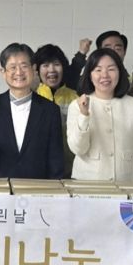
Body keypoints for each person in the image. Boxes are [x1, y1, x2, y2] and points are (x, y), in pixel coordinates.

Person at [0, 43, 64, 179]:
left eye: (24, 66)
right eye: (13, 67)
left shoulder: (50, 110)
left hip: (37, 187)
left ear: (34, 69)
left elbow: (56, 160)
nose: (19, 72)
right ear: (3, 72)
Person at [66, 48, 133, 182]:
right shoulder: (77, 105)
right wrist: (84, 115)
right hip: (87, 183)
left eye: (111, 69)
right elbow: (78, 149)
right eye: (98, 70)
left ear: (119, 72)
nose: (104, 75)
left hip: (125, 183)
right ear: (89, 75)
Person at [34, 44, 78, 178]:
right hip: (37, 169)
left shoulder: (75, 97)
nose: (52, 70)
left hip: (69, 169)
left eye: (56, 64)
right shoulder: (32, 96)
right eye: (45, 65)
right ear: (37, 69)